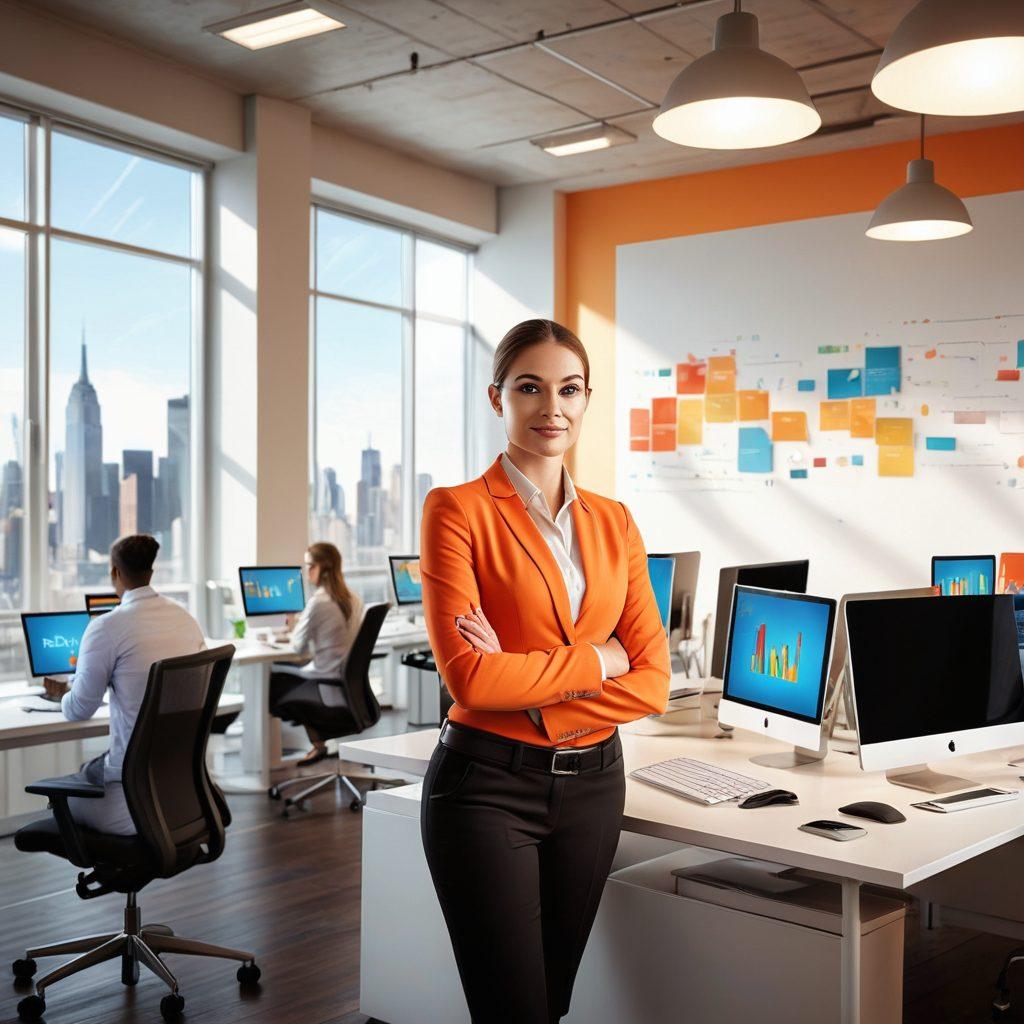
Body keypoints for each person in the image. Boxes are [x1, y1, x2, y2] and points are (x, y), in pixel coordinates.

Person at [419, 318, 670, 1024]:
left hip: (595, 787)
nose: (550, 408)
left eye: (568, 389)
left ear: (587, 399)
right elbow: (471, 682)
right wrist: (600, 659)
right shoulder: (457, 511)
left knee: (551, 1004)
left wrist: (523, 676)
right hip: (486, 788)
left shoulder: (615, 522)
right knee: (513, 1011)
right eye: (530, 388)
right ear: (498, 398)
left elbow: (652, 679)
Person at [42, 534, 206, 836]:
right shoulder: (185, 619)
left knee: (62, 796)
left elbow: (79, 710)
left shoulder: (107, 626)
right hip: (179, 793)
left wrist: (65, 694)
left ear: (114, 572)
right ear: (151, 572)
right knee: (91, 770)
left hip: (131, 801)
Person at [268, 542, 365, 766]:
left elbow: (298, 648)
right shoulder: (353, 598)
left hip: (325, 683)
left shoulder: (320, 602)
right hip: (349, 687)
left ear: (321, 567)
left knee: (273, 680)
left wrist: (286, 630)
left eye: (309, 565)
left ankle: (315, 743)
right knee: (287, 673)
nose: (306, 570)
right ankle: (317, 744)